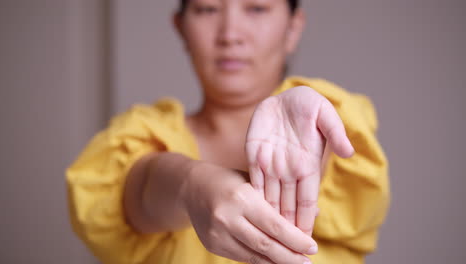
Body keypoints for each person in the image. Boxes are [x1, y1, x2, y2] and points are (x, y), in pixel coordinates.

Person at [66, 0, 390, 264]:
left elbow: (316, 163)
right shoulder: (142, 137)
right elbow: (143, 187)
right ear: (180, 28)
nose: (230, 34)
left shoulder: (332, 120)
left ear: (293, 28)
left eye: (257, 8)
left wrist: (311, 136)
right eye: (207, 8)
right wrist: (192, 186)